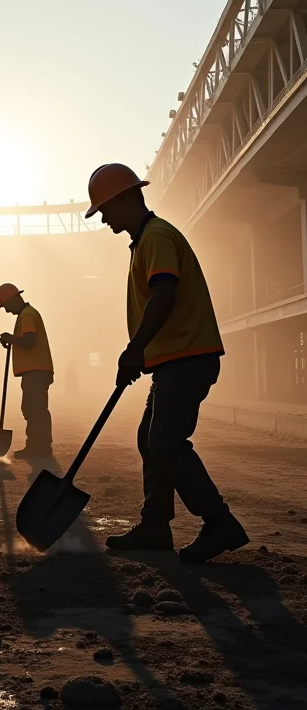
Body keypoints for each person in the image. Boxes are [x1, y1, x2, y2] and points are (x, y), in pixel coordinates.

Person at [86, 162, 248, 563]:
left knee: (166, 442)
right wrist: (145, 353)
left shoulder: (156, 237)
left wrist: (136, 348)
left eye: (105, 208)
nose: (103, 217)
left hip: (187, 358)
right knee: (150, 439)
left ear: (126, 198)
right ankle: (155, 527)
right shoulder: (145, 241)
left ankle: (219, 522)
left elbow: (163, 295)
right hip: (174, 360)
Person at [0, 283, 54, 459]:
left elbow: (29, 340)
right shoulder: (26, 314)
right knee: (34, 408)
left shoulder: (27, 315)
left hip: (36, 370)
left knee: (34, 409)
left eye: (6, 306)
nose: (6, 311)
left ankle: (39, 447)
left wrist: (10, 338)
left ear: (13, 299)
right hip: (35, 370)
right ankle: (39, 446)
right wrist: (12, 339)